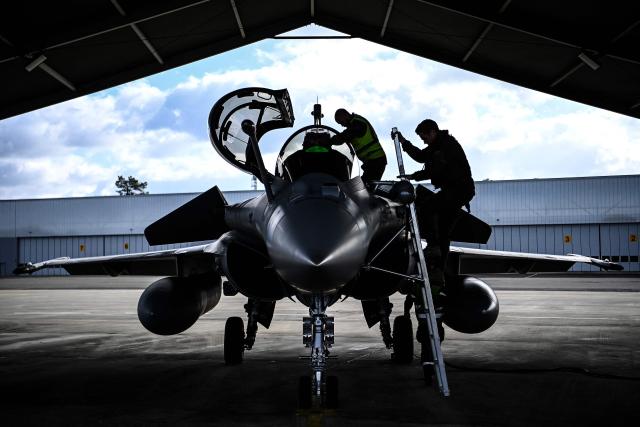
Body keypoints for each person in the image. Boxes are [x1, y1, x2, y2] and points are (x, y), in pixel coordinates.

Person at [393, 119, 475, 298]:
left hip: (458, 190)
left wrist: (413, 176)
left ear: (432, 132)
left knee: (428, 207)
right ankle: (440, 269)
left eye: (424, 137)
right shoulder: (437, 145)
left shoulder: (445, 145)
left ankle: (434, 248)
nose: (423, 141)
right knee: (444, 232)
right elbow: (421, 157)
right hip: (457, 190)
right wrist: (404, 143)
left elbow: (434, 170)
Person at [331, 108, 387, 182]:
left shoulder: (358, 124)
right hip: (372, 161)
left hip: (376, 160)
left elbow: (344, 136)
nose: (342, 125)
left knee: (365, 188)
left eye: (341, 122)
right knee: (365, 186)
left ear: (345, 115)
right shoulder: (355, 122)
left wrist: (329, 140)